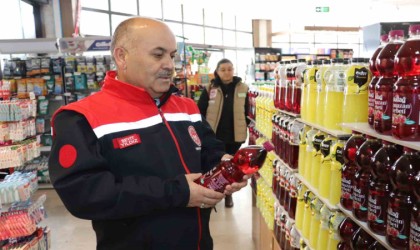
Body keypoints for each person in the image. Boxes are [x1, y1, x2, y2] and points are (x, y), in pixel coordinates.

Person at [48, 17, 248, 250]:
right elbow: (84, 194)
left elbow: (207, 150)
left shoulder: (186, 107)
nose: (169, 65)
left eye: (172, 56)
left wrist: (225, 164)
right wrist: (177, 193)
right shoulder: (81, 118)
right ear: (122, 57)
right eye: (158, 54)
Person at [197, 58, 250, 208]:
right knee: (214, 165)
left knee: (231, 167)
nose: (227, 72)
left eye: (230, 69)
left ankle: (228, 194)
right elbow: (199, 111)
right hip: (214, 135)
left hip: (235, 136)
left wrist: (244, 126)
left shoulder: (243, 88)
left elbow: (249, 112)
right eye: (223, 70)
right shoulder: (209, 88)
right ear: (217, 72)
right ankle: (211, 193)